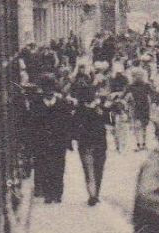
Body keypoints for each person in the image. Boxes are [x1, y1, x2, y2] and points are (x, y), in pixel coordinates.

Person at [71, 74, 114, 207]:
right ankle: (95, 194)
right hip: (99, 142)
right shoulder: (100, 108)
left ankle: (93, 194)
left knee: (89, 170)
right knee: (98, 169)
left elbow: (74, 126)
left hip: (85, 143)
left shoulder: (79, 109)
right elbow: (110, 122)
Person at [32, 73, 72, 203]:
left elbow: (67, 123)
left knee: (59, 167)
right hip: (42, 142)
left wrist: (67, 140)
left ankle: (58, 193)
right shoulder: (36, 104)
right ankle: (48, 194)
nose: (48, 90)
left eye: (50, 88)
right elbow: (32, 124)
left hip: (58, 142)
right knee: (45, 166)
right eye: (45, 88)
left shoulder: (62, 104)